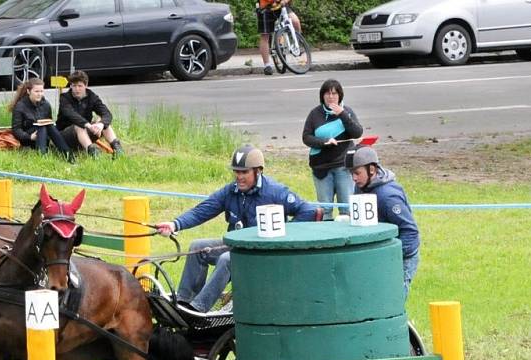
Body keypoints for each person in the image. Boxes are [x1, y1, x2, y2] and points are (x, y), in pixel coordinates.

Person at [156, 145, 321, 313]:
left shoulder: (276, 192)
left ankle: (199, 309)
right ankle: (184, 304)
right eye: (236, 172)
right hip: (238, 246)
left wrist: (283, 233)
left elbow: (309, 211)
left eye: (244, 172)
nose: (239, 177)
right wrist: (175, 224)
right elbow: (202, 211)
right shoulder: (230, 191)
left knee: (227, 260)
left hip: (262, 253)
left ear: (258, 171)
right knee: (197, 247)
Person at [346, 144, 420, 298]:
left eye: (357, 173)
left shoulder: (389, 197)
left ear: (371, 170)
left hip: (401, 256)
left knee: (393, 299)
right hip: (378, 255)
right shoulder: (360, 187)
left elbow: (410, 232)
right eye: (351, 173)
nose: (354, 178)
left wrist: (389, 256)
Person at [302, 79, 363, 220]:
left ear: (340, 95)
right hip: (321, 167)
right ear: (322, 96)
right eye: (327, 93)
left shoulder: (347, 111)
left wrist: (342, 114)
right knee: (325, 209)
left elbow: (357, 132)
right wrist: (324, 142)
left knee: (346, 207)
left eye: (334, 93)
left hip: (343, 166)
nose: (331, 97)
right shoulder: (315, 114)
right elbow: (306, 137)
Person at [56, 70, 123, 158]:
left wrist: (101, 124)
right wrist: (88, 125)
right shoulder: (64, 98)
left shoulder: (92, 97)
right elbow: (71, 114)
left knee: (102, 121)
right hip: (64, 136)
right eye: (74, 86)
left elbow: (107, 113)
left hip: (85, 133)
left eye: (80, 86)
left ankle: (117, 148)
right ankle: (92, 152)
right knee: (79, 126)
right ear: (71, 85)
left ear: (86, 85)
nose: (77, 89)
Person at [10, 78, 74, 162]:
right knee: (42, 127)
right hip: (28, 138)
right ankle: (42, 158)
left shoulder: (46, 104)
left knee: (48, 125)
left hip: (44, 136)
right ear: (29, 91)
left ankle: (68, 156)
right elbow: (16, 130)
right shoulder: (20, 106)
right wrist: (30, 137)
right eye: (36, 91)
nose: (39, 94)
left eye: (41, 91)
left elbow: (49, 121)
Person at [256, 0, 301, 75]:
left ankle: (296, 45)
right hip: (265, 7)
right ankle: (267, 66)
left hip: (281, 5)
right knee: (265, 35)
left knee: (295, 21)